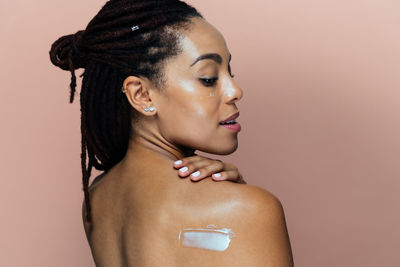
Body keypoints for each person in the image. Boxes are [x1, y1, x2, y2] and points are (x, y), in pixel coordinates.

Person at [49, 0, 293, 266]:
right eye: (209, 78)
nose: (235, 91)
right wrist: (244, 204)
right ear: (142, 95)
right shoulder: (249, 211)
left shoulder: (96, 200)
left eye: (230, 73)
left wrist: (235, 195)